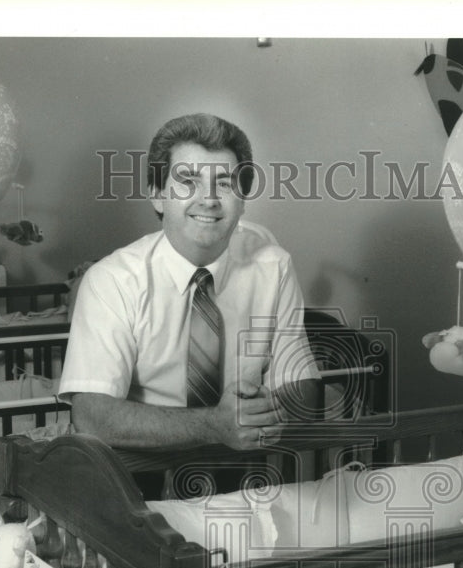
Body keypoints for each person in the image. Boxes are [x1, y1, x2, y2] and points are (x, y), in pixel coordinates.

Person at [59, 113, 320, 458]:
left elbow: (302, 385)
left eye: (225, 183)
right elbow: (92, 415)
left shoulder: (274, 267)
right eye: (188, 181)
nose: (208, 200)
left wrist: (259, 413)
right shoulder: (111, 281)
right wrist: (214, 424)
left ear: (242, 200)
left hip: (250, 472)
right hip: (143, 482)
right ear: (157, 195)